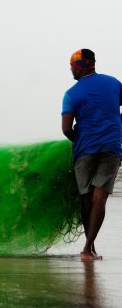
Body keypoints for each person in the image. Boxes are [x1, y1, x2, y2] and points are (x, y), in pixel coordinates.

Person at [61, 49, 122, 261]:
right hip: (111, 146)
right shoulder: (114, 83)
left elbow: (66, 129)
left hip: (85, 148)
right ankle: (89, 249)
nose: (71, 70)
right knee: (100, 198)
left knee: (87, 197)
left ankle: (89, 247)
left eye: (72, 66)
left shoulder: (71, 94)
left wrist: (81, 135)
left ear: (80, 67)